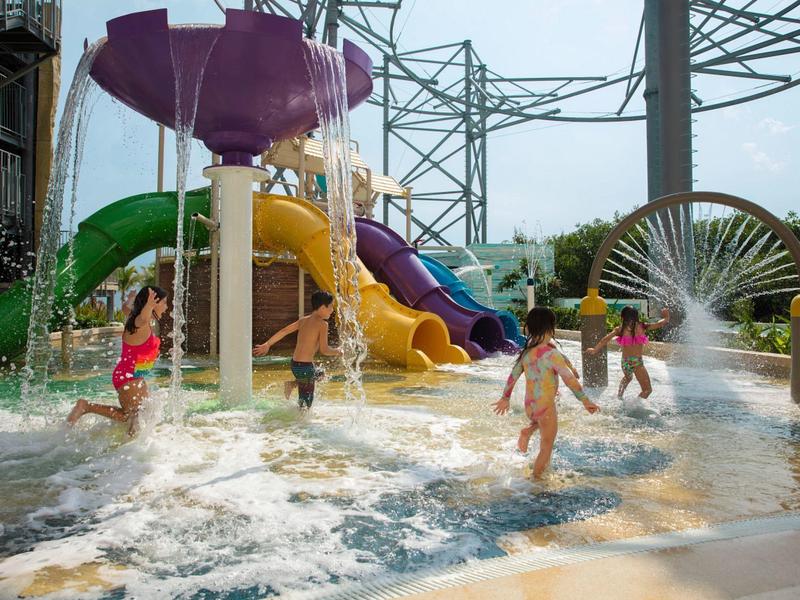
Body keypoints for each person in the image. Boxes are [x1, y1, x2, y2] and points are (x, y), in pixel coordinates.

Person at [492, 307, 600, 479]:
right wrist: (585, 400)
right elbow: (570, 380)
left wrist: (505, 398)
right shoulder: (552, 354)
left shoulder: (527, 353)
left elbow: (513, 375)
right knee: (546, 446)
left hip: (530, 407)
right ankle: (535, 482)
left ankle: (527, 432)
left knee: (542, 427)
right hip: (546, 408)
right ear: (550, 327)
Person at [67, 286, 168, 436]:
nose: (166, 307)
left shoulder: (133, 318)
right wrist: (148, 305)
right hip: (129, 378)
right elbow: (143, 318)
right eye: (164, 302)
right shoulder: (140, 323)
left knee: (136, 415)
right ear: (154, 303)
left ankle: (88, 408)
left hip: (132, 376)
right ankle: (86, 407)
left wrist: (130, 299)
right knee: (134, 417)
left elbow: (125, 309)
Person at [252, 290, 342, 410]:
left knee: (320, 374)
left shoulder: (303, 320)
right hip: (305, 368)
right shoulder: (323, 325)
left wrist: (267, 344)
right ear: (322, 307)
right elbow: (324, 350)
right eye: (330, 306)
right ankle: (298, 420)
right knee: (306, 405)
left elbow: (284, 331)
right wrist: (338, 351)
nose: (332, 310)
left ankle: (292, 384)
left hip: (295, 365)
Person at [585, 306, 670, 400]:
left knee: (628, 377)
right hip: (636, 362)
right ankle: (634, 406)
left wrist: (594, 350)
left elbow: (605, 339)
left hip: (625, 362)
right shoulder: (642, 326)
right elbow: (659, 324)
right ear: (636, 316)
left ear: (623, 317)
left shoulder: (620, 329)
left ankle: (619, 396)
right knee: (647, 390)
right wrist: (666, 317)